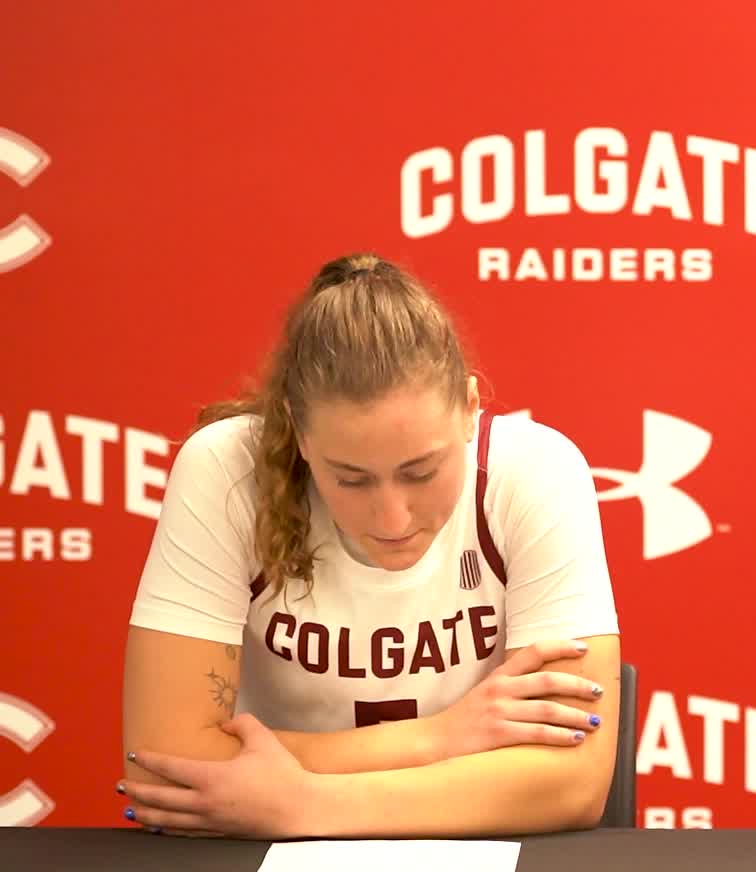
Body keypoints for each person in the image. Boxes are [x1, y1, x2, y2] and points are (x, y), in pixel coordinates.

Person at [119, 254, 621, 839]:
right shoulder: (227, 469)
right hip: (252, 867)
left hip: (469, 858)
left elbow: (573, 781)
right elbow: (166, 764)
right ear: (297, 432)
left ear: (470, 409)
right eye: (350, 479)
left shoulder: (534, 471)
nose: (392, 517)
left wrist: (304, 806)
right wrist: (439, 736)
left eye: (421, 472)